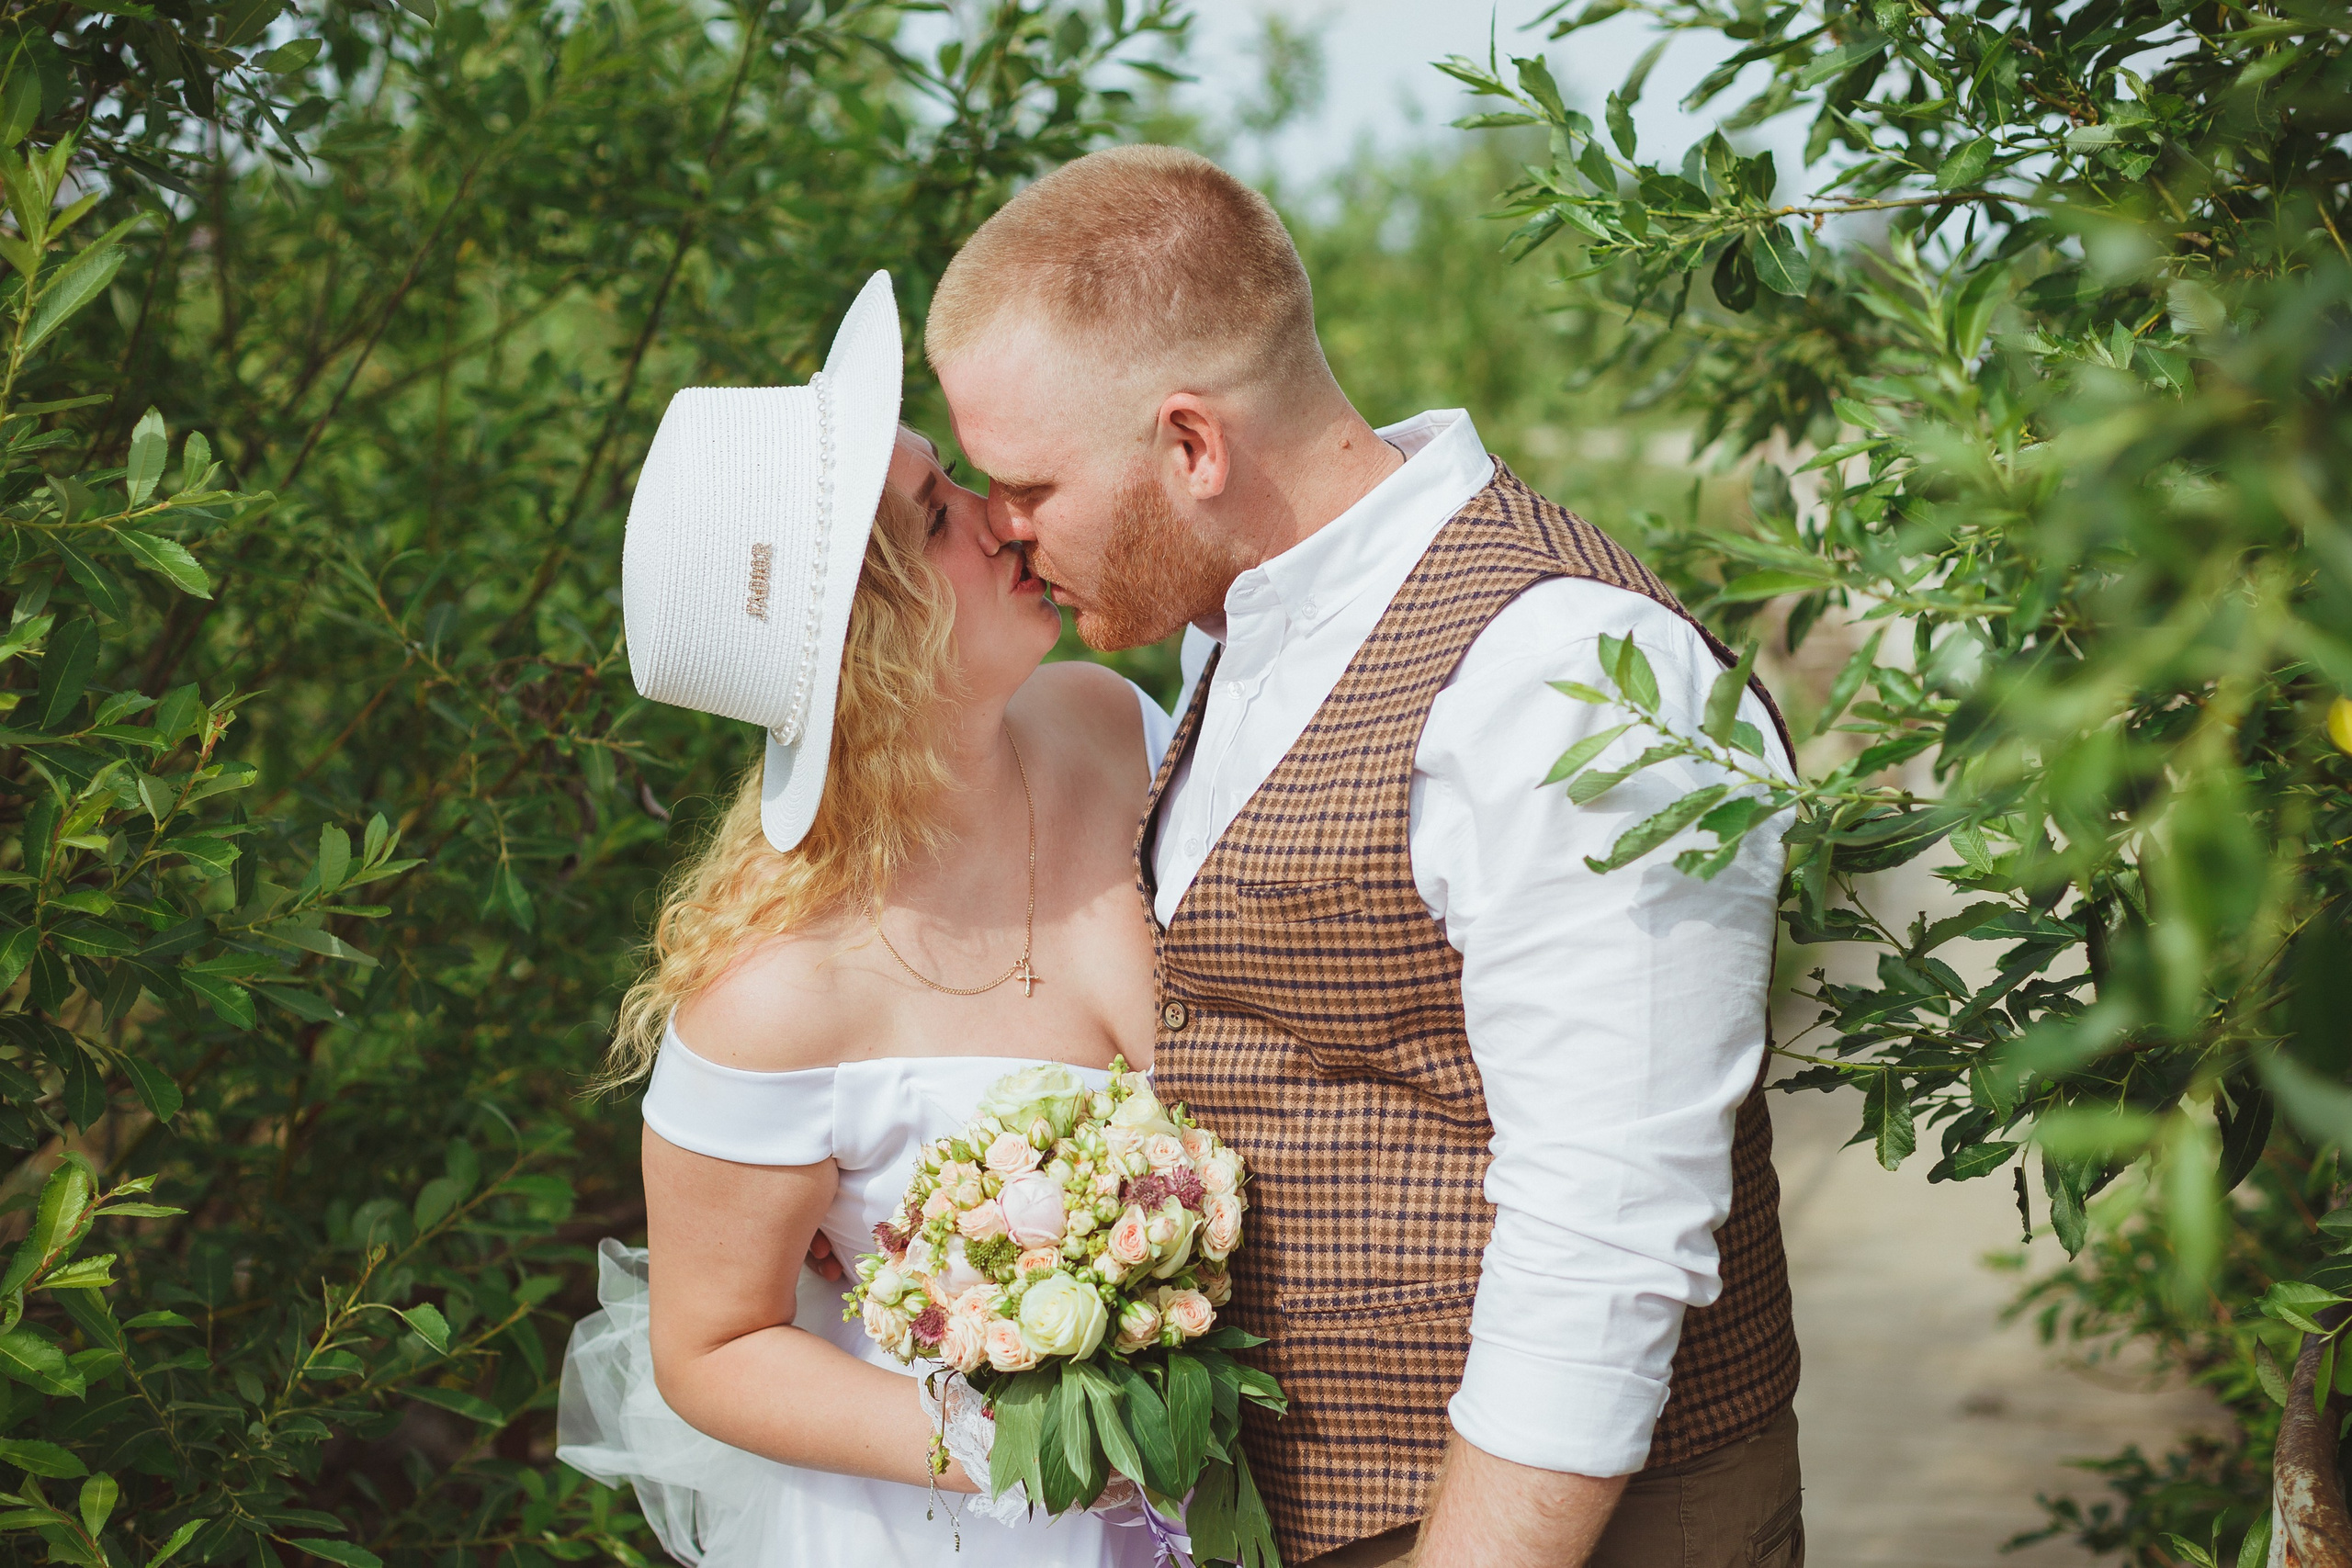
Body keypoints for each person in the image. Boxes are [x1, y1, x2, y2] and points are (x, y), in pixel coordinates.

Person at [923, 146, 1805, 1568]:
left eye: (1026, 484)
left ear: (1191, 447)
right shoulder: (1245, 629)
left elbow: (1608, 1228)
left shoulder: (1562, 675)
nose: (1004, 529)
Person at [556, 274, 1170, 1567]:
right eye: (942, 512)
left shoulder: (1108, 725)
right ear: (872, 631)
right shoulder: (778, 992)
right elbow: (710, 1349)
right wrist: (1023, 1449)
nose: (1008, 519)